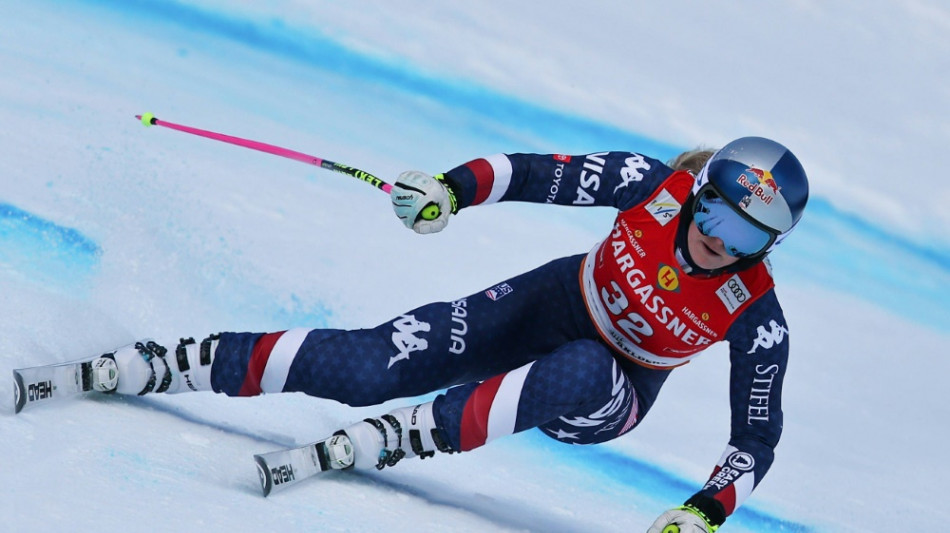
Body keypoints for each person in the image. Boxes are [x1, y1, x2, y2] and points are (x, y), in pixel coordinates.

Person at [90, 137, 808, 532]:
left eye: (750, 233)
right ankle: (184, 361)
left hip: (610, 390)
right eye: (715, 212)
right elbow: (535, 173)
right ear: (699, 191)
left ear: (771, 242)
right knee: (373, 364)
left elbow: (756, 438)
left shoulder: (756, 313)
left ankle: (410, 432)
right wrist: (451, 189)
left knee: (585, 365)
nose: (720, 240)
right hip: (551, 300)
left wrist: (702, 511)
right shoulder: (648, 184)